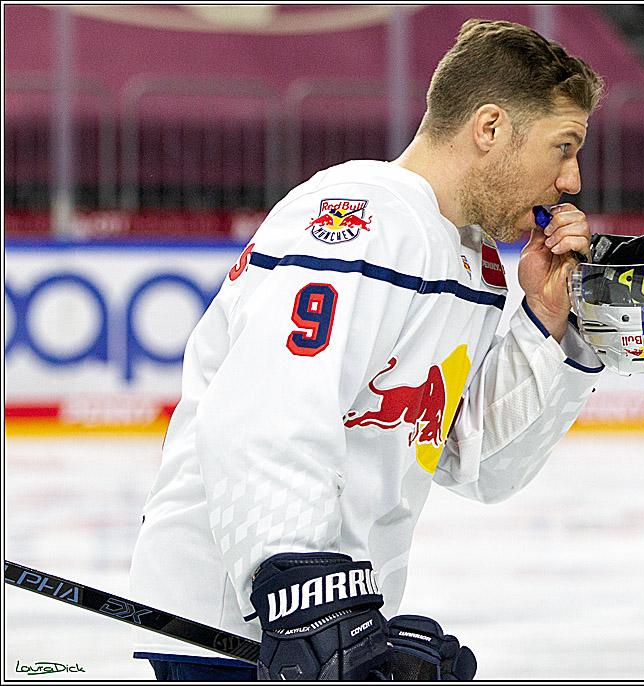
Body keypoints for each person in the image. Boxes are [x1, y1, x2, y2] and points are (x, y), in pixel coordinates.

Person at [128, 19, 605, 681]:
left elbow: (470, 458)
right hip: (237, 627)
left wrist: (546, 327)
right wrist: (305, 599)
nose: (572, 180)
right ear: (490, 127)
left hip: (322, 620)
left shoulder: (472, 262)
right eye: (563, 147)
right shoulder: (359, 216)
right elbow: (269, 410)